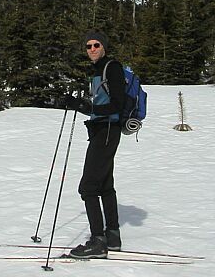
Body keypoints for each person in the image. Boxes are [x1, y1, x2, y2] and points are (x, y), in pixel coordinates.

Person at [66, 30, 125, 259]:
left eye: (96, 45)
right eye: (88, 45)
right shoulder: (98, 70)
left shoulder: (113, 67)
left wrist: (86, 108)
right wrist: (83, 104)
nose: (92, 49)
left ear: (104, 46)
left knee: (88, 186)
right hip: (102, 130)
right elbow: (103, 100)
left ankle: (97, 242)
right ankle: (112, 236)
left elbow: (117, 105)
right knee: (104, 184)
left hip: (108, 130)